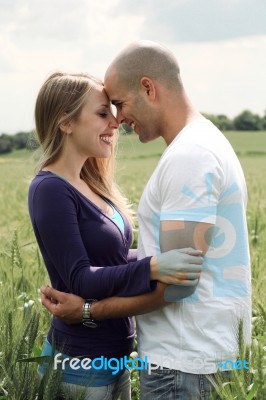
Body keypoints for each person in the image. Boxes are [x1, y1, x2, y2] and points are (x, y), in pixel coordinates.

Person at [40, 41, 251, 400]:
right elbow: (167, 262)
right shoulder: (202, 144)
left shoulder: (190, 156)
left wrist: (89, 310)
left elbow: (178, 282)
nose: (118, 120)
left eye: (118, 105)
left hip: (183, 363)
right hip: (195, 358)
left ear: (149, 88)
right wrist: (149, 263)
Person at [28, 71, 203, 399]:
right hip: (81, 360)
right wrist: (152, 267)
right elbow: (79, 279)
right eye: (102, 113)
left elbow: (114, 260)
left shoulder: (89, 182)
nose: (116, 122)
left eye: (113, 111)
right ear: (66, 123)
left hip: (117, 354)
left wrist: (166, 258)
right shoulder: (50, 189)